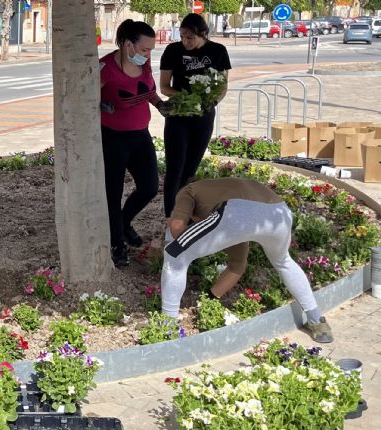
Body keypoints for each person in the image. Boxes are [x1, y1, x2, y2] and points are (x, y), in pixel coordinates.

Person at [161, 177, 333, 343]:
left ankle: (168, 329)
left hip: (234, 212)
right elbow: (237, 266)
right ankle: (318, 321)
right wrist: (210, 299)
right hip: (279, 212)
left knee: (174, 255)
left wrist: (181, 230)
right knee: (283, 262)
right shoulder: (225, 187)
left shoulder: (188, 190)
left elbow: (177, 227)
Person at [100, 19, 170, 267]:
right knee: (113, 192)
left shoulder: (144, 62)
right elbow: (85, 97)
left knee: (150, 186)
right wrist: (99, 104)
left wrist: (160, 104)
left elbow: (148, 90)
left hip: (140, 134)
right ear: (128, 45)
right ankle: (116, 243)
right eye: (145, 49)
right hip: (113, 138)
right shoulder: (106, 67)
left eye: (151, 50)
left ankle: (123, 221)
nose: (148, 55)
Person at [159, 13, 231, 220]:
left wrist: (210, 102)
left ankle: (185, 214)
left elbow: (223, 86)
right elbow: (164, 86)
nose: (185, 41)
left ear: (203, 35)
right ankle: (170, 217)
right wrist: (188, 98)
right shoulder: (173, 51)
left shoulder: (218, 51)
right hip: (179, 116)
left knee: (191, 168)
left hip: (204, 116)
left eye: (190, 37)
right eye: (182, 36)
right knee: (175, 168)